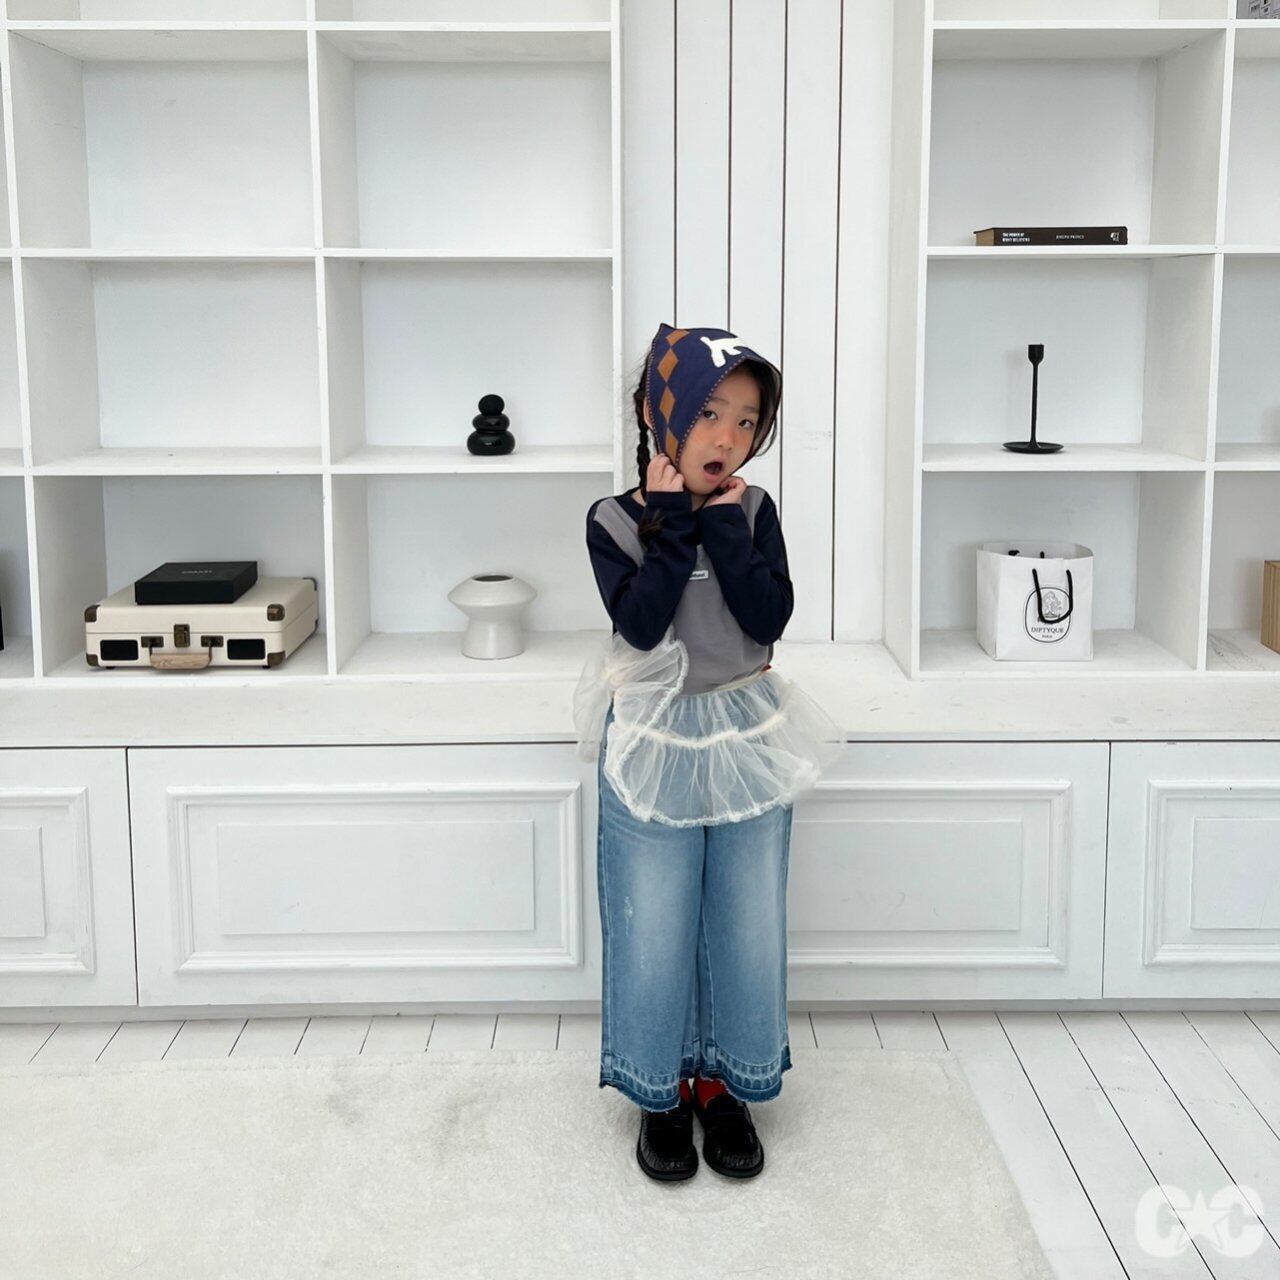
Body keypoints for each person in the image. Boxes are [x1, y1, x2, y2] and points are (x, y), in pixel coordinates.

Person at [573, 323, 843, 1182]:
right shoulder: (615, 520)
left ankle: (724, 1086)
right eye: (708, 414)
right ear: (661, 416)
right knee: (654, 920)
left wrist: (721, 524)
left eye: (746, 420)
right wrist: (673, 527)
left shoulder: (753, 513)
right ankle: (660, 1092)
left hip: (745, 733)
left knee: (744, 916)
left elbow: (767, 618)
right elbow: (641, 623)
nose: (727, 436)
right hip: (653, 737)